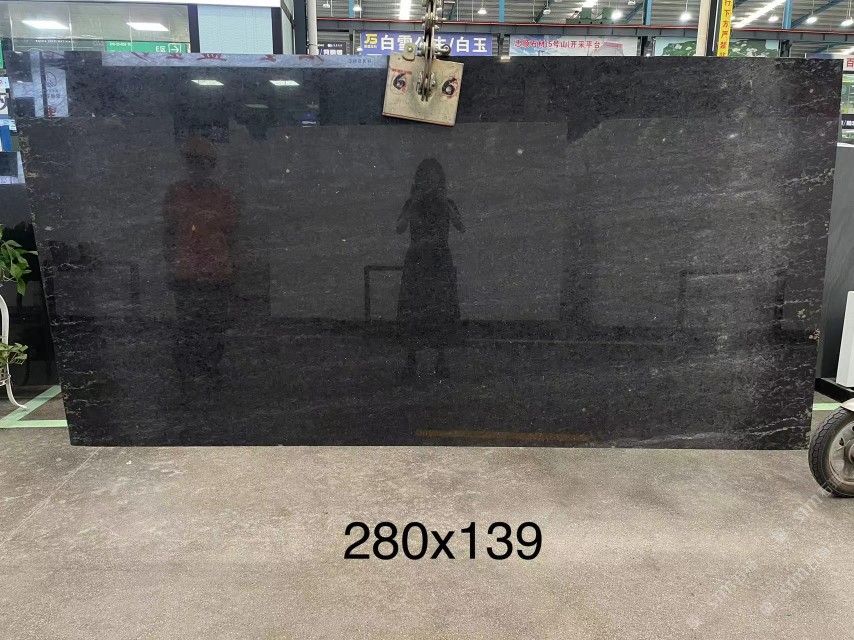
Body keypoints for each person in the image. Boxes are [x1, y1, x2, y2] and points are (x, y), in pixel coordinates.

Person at [163, 136, 238, 384]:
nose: (199, 167)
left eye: (203, 162)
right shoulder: (176, 193)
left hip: (216, 270)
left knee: (213, 324)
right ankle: (188, 370)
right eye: (194, 161)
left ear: (211, 165)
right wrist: (170, 264)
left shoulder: (222, 195)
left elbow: (231, 230)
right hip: (188, 270)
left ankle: (209, 367)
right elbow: (169, 230)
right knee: (189, 324)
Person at [396, 158, 465, 380]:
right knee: (414, 308)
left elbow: (461, 226)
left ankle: (441, 359)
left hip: (439, 260)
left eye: (433, 176)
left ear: (439, 179)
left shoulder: (447, 202)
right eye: (425, 176)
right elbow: (399, 228)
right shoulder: (412, 202)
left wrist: (444, 203)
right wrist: (413, 203)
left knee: (440, 308)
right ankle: (411, 359)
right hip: (417, 261)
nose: (429, 180)